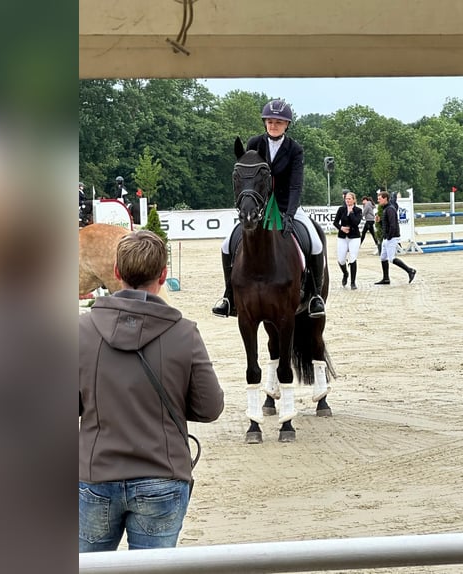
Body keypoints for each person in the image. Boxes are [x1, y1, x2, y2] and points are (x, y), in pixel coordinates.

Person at [79, 230, 225, 551]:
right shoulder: (185, 333)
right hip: (162, 477)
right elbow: (210, 407)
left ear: (117, 273)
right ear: (163, 275)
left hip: (96, 477)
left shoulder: (81, 331)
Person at [211, 98, 326, 318]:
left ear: (287, 125)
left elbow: (295, 185)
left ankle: (314, 296)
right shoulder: (254, 143)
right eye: (270, 121)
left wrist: (290, 215)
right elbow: (247, 178)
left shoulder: (294, 150)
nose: (273, 125)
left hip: (285, 206)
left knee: (315, 242)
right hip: (258, 209)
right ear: (265, 122)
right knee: (227, 245)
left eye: (279, 122)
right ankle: (229, 296)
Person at [374, 191, 417, 285]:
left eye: (379, 198)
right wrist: (380, 221)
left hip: (391, 237)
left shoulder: (390, 209)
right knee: (383, 257)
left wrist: (389, 236)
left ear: (385, 198)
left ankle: (410, 270)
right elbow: (387, 224)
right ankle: (386, 278)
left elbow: (393, 225)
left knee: (391, 258)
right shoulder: (386, 209)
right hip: (387, 237)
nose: (378, 200)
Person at [333, 191, 362, 290]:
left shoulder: (358, 210)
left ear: (353, 200)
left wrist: (351, 212)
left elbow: (356, 222)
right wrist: (341, 228)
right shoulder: (341, 209)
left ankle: (353, 282)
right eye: (346, 199)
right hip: (342, 236)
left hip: (354, 237)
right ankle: (345, 273)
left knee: (352, 258)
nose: (347, 200)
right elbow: (335, 222)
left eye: (349, 199)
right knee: (341, 259)